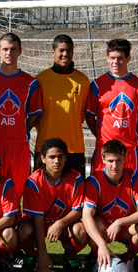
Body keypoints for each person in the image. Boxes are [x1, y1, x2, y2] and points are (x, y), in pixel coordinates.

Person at [0, 33, 42, 198]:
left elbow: (35, 115)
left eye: (13, 49)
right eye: (5, 49)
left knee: (17, 193)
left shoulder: (30, 83)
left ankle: (14, 224)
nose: (9, 53)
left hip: (19, 147)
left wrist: (22, 131)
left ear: (20, 51)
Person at [82, 139, 138, 272]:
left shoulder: (136, 178)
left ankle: (127, 259)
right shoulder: (94, 180)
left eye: (119, 160)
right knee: (91, 224)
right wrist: (102, 244)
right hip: (104, 229)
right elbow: (86, 215)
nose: (115, 165)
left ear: (125, 159)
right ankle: (99, 257)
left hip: (126, 228)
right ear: (103, 159)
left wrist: (119, 222)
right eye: (110, 161)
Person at [21, 138, 87, 272]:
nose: (57, 161)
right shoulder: (33, 182)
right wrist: (42, 253)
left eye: (60, 156)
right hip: (39, 226)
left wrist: (60, 223)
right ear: (43, 159)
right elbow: (37, 219)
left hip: (63, 227)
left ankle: (69, 256)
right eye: (52, 157)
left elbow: (78, 211)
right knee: (22, 230)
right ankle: (32, 254)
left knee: (81, 231)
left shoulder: (76, 178)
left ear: (66, 158)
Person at [86, 38, 138, 172]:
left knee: (130, 192)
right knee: (101, 191)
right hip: (104, 149)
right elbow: (89, 116)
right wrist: (100, 136)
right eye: (112, 58)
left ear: (128, 58)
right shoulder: (97, 85)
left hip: (130, 151)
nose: (116, 62)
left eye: (120, 58)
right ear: (107, 58)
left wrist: (134, 134)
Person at [34, 35, 90, 177]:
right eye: (61, 50)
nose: (66, 54)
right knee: (42, 194)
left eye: (69, 50)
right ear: (53, 52)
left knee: (75, 195)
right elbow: (35, 115)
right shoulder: (41, 80)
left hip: (74, 148)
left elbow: (82, 114)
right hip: (45, 148)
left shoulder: (83, 80)